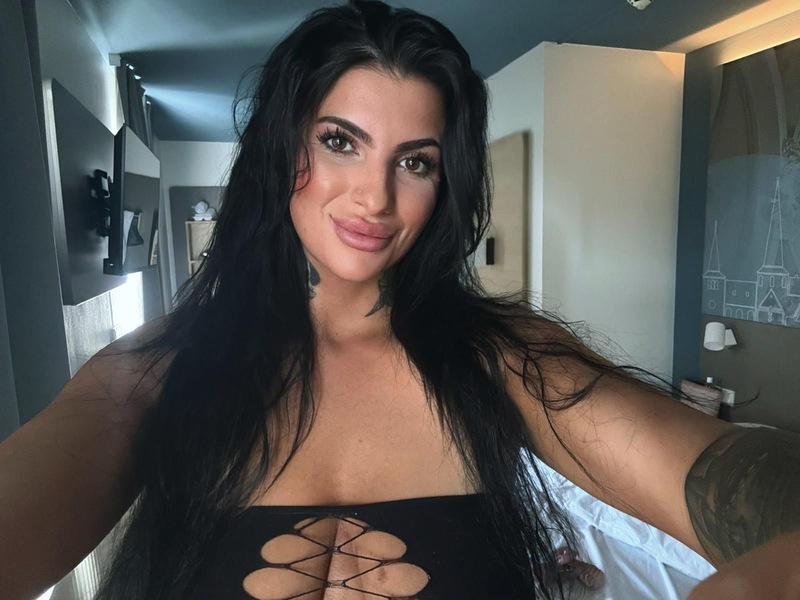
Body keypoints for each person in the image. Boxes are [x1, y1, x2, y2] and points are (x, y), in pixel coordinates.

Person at [2, 1, 799, 599]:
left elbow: (725, 474)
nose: (375, 197)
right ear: (283, 148)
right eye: (340, 142)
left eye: (415, 162)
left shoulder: (504, 359)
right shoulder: (157, 372)